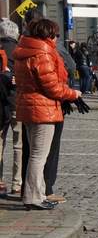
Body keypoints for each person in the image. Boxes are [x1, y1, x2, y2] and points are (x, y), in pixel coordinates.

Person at [12, 18, 81, 210]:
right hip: (43, 109)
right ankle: (33, 197)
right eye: (54, 33)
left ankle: (39, 193)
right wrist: (73, 94)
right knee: (38, 155)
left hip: (27, 106)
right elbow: (52, 87)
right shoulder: (42, 52)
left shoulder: (24, 50)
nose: (56, 37)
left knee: (35, 153)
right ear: (47, 34)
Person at [0, 21, 20, 195]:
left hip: (0, 102)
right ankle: (17, 183)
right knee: (18, 145)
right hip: (15, 101)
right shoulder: (19, 51)